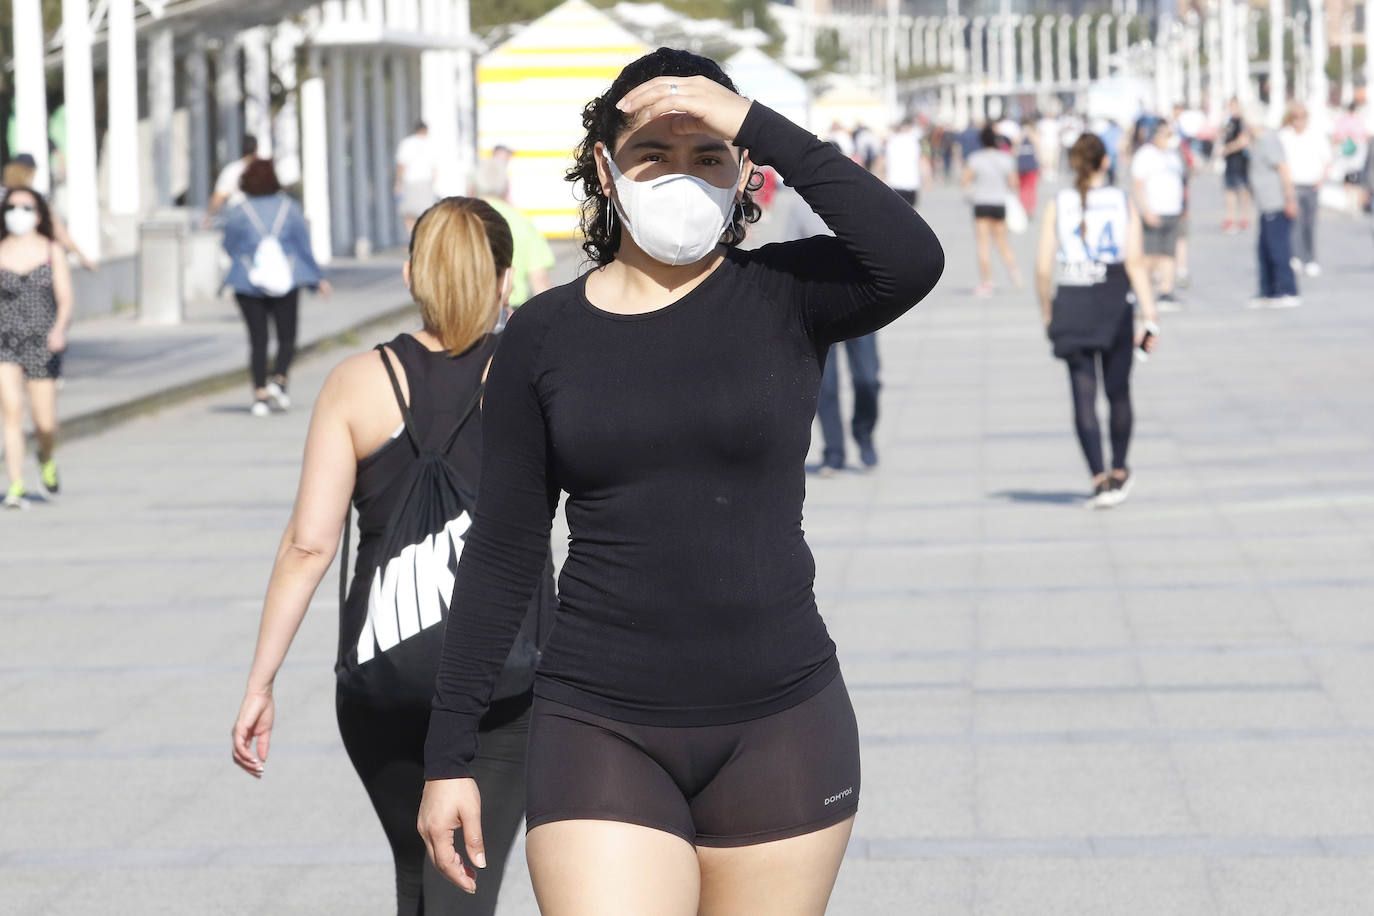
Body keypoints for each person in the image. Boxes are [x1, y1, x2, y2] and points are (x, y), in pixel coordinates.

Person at [416, 48, 943, 913]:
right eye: (652, 154)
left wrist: (755, 122)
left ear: (744, 175)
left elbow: (910, 256)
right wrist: (450, 756)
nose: (680, 175)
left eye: (709, 156)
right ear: (604, 168)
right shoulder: (542, 338)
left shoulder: (787, 294)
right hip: (598, 721)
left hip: (782, 720)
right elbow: (505, 553)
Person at [232, 196, 551, 916]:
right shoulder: (531, 379)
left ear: (412, 275)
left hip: (382, 681)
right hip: (502, 689)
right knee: (460, 888)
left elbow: (309, 545)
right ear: (506, 281)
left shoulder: (355, 382)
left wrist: (261, 681)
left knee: (419, 880)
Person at [1035, 134, 1159, 509]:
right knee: (1118, 391)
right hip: (1113, 300)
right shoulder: (1123, 202)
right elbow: (1135, 262)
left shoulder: (1059, 203)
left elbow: (1043, 269)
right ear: (1105, 163)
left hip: (1071, 299)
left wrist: (1047, 311)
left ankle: (1098, 477)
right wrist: (1150, 315)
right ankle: (1120, 468)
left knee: (1082, 394)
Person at [221, 158, 328, 417]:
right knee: (287, 335)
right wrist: (316, 278)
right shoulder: (289, 209)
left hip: (247, 281)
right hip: (286, 278)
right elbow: (303, 245)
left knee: (258, 340)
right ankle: (279, 381)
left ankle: (259, 395)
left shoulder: (239, 211)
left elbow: (229, 245)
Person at [0, 188, 71, 509]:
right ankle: (15, 484)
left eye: (25, 207)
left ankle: (45, 456)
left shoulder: (50, 250)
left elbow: (66, 297)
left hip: (43, 340)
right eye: (12, 207)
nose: (18, 213)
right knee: (11, 412)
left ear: (39, 214)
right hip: (4, 340)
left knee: (45, 423)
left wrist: (59, 329)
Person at [472, 157, 555, 319]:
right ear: (506, 187)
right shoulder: (521, 222)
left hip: (466, 312)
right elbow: (540, 281)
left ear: (473, 187)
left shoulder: (463, 219)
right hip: (510, 313)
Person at [3, 154, 98, 270]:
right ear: (29, 172)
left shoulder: (4, 197)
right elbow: (59, 231)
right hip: (34, 259)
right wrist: (83, 257)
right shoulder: (37, 198)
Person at [1130, 120, 1186, 309]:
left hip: (1173, 209)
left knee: (1168, 253)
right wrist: (1145, 210)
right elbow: (1137, 186)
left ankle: (1165, 291)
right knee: (1151, 254)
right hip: (1153, 210)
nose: (1169, 138)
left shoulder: (1173, 154)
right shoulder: (1145, 155)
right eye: (1165, 134)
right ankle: (1140, 290)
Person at [962, 123, 1020, 296]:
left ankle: (987, 283)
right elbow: (1013, 183)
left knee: (983, 244)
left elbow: (965, 180)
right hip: (999, 202)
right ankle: (1014, 272)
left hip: (981, 203)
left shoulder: (975, 158)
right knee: (1002, 242)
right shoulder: (1006, 159)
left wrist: (973, 192)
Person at [1247, 125, 1301, 309]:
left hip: (1275, 203)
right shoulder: (1258, 141)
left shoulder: (1268, 139)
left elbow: (1283, 168)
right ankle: (1268, 290)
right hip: (1265, 205)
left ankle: (1287, 290)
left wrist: (1289, 198)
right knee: (1264, 249)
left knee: (1279, 249)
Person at [1278, 103, 1330, 277]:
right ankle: (1296, 256)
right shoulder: (1285, 136)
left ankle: (1310, 259)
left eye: (1301, 117)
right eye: (1294, 117)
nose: (1298, 121)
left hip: (1311, 185)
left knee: (1309, 224)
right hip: (1292, 185)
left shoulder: (1316, 136)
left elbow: (1327, 160)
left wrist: (1322, 180)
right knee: (1294, 224)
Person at [205, 135, 258, 224]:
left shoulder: (231, 170)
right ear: (256, 149)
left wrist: (208, 217)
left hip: (237, 217)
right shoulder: (263, 170)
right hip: (259, 217)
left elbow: (218, 197)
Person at [396, 122, 438, 234]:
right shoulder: (431, 144)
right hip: (425, 183)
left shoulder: (407, 143)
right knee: (426, 213)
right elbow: (435, 169)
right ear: (426, 131)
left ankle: (412, 238)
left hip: (409, 182)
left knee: (409, 214)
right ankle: (424, 238)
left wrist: (398, 184)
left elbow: (401, 165)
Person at [1220, 97, 1252, 233]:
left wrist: (1227, 149)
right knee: (1230, 190)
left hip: (1240, 160)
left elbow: (1243, 141)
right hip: (1230, 161)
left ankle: (1244, 217)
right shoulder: (1229, 121)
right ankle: (1230, 217)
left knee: (1243, 190)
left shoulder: (1242, 122)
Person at [883, 118, 922, 207]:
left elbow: (884, 161)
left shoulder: (892, 140)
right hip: (912, 182)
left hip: (894, 181)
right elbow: (921, 161)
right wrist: (927, 178)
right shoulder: (914, 141)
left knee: (895, 212)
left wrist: (880, 176)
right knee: (911, 213)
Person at [1015, 118, 1040, 213]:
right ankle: (1022, 206)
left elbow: (1038, 147)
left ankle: (1030, 207)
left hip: (1032, 165)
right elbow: (1015, 148)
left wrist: (1030, 135)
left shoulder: (1034, 136)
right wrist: (1022, 135)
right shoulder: (1019, 136)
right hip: (1021, 165)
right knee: (1022, 187)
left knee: (1031, 187)